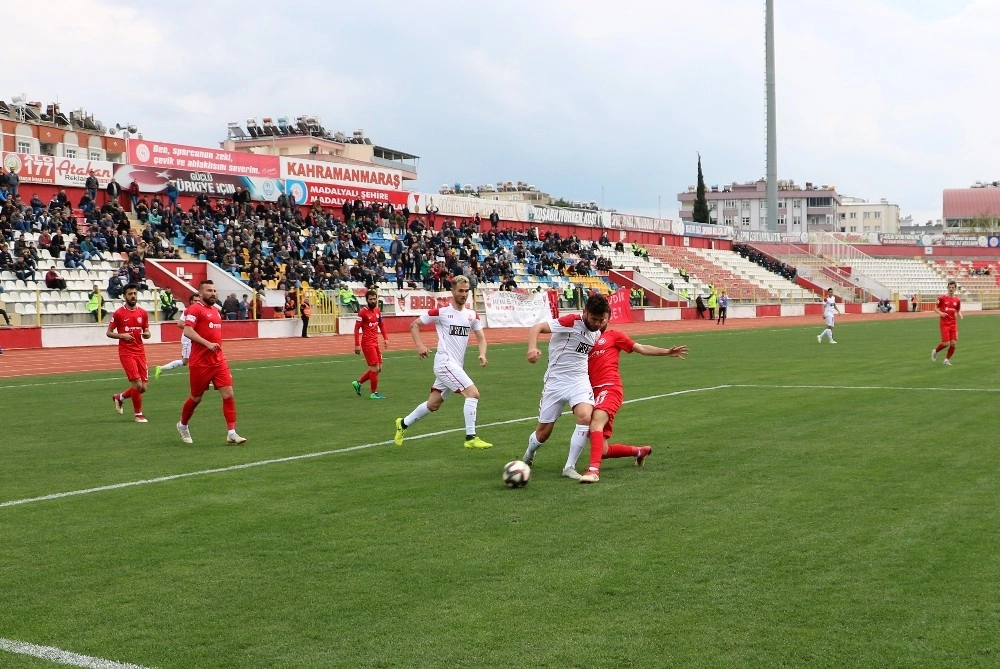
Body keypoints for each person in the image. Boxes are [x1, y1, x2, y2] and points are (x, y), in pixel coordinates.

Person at [570, 327, 688, 483]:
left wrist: (666, 352)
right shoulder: (584, 338)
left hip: (610, 387)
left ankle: (593, 471)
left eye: (603, 317)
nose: (599, 321)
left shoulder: (614, 335)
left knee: (596, 423)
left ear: (607, 318)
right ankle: (640, 451)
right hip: (590, 393)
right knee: (602, 450)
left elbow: (640, 348)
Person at [393, 276, 491, 449]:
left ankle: (403, 423)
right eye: (460, 290)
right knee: (473, 394)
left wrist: (482, 354)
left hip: (455, 366)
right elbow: (414, 325)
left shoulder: (471, 315)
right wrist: (420, 345)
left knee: (433, 404)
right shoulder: (441, 312)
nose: (464, 294)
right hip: (444, 363)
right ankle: (471, 437)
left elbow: (482, 338)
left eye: (466, 291)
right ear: (452, 291)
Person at [521, 293, 611, 480]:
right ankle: (529, 455)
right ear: (585, 312)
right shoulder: (570, 321)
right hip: (555, 381)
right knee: (543, 433)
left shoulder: (600, 328)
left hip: (579, 380)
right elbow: (536, 327)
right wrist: (532, 348)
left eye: (601, 320)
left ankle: (569, 467)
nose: (597, 323)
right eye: (594, 319)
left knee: (585, 417)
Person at [176, 280, 247, 445]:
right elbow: (187, 330)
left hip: (218, 360)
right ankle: (183, 424)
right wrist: (207, 344)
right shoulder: (195, 309)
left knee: (228, 393)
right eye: (209, 291)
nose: (213, 293)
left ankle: (231, 432)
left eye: (215, 290)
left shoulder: (216, 311)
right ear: (200, 294)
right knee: (196, 398)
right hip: (200, 363)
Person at [107, 283, 151, 423]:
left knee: (143, 388)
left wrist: (147, 334)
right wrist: (122, 336)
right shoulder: (119, 313)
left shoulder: (142, 313)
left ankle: (119, 397)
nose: (133, 296)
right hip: (126, 352)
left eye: (135, 293)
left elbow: (147, 330)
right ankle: (138, 414)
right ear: (124, 296)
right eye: (130, 294)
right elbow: (109, 333)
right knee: (137, 385)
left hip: (140, 352)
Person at [353, 289, 389, 399]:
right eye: (370, 299)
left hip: (375, 342)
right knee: (375, 367)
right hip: (367, 343)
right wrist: (357, 344)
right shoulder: (362, 312)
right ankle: (374, 393)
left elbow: (381, 325)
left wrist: (385, 338)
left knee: (379, 368)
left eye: (374, 299)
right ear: (366, 300)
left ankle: (358, 383)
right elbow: (356, 328)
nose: (373, 301)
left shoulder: (377, 311)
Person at [155, 294, 199, 379]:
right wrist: (191, 329)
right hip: (188, 339)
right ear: (191, 301)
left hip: (196, 338)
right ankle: (161, 368)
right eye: (195, 300)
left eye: (198, 300)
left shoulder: (199, 311)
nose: (197, 302)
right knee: (185, 361)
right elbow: (180, 324)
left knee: (199, 358)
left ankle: (201, 379)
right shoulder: (187, 310)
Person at [932, 280, 962, 366]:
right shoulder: (941, 298)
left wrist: (959, 314)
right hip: (944, 323)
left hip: (953, 323)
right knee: (946, 343)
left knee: (953, 343)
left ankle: (946, 360)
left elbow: (958, 310)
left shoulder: (957, 300)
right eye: (950, 287)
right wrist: (941, 313)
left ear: (955, 289)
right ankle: (935, 351)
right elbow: (935, 308)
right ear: (947, 288)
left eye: (953, 288)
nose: (951, 289)